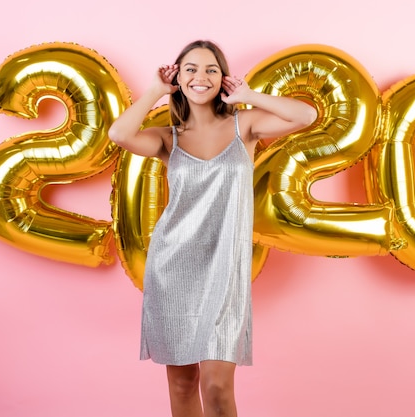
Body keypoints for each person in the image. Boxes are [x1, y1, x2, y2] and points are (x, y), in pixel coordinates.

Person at [108, 40, 317, 417]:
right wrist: (156, 90)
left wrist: (250, 95)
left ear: (223, 79)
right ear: (178, 78)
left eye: (210, 69)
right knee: (183, 385)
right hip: (173, 268)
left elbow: (305, 116)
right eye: (190, 69)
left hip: (225, 270)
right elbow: (119, 135)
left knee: (217, 387)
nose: (200, 77)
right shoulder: (168, 138)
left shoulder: (246, 125)